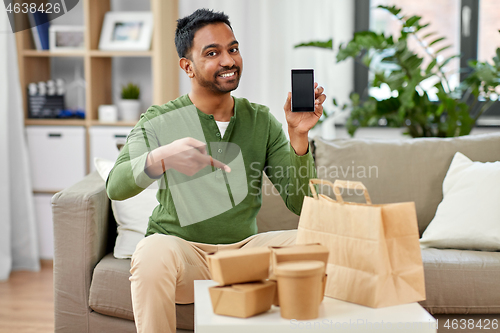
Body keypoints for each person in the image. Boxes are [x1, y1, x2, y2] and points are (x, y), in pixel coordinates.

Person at [106, 8, 326, 333]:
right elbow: (116, 186)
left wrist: (299, 137)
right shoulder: (159, 119)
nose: (228, 61)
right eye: (212, 53)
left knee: (323, 243)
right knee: (152, 252)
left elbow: (302, 203)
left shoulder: (261, 121)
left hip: (244, 255)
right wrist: (161, 158)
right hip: (183, 252)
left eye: (232, 49)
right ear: (188, 66)